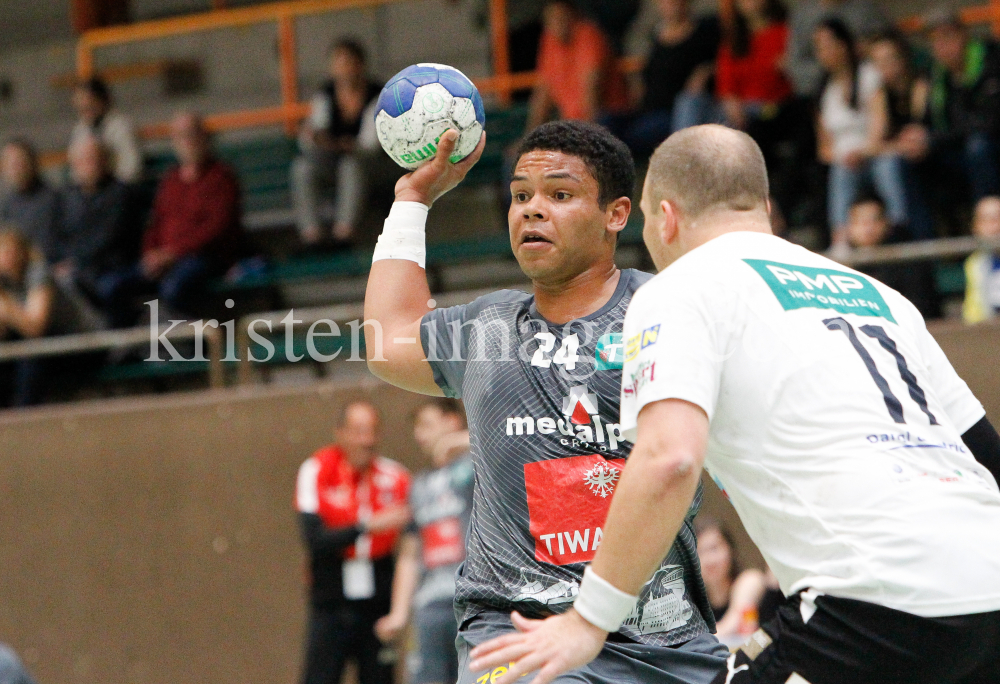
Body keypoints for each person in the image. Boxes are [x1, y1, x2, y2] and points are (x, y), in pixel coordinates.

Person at [469, 124, 1000, 684]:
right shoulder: (879, 295)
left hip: (876, 597)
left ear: (665, 216)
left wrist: (587, 622)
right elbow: (984, 451)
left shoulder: (679, 290)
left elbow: (669, 459)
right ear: (763, 207)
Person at [364, 121, 728, 684]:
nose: (532, 210)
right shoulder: (486, 328)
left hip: (663, 640)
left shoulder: (664, 310)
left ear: (616, 213)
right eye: (520, 196)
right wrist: (412, 199)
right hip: (516, 633)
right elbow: (388, 339)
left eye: (560, 195)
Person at [294, 400, 412, 684]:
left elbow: (412, 541)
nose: (367, 440)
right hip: (330, 595)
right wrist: (367, 526)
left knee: (380, 676)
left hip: (378, 593)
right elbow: (315, 539)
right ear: (340, 433)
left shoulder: (396, 477)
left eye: (373, 431)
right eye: (358, 431)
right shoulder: (317, 470)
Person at [375, 398, 474, 684]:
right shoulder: (418, 484)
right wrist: (398, 613)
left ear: (453, 421)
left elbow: (508, 440)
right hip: (430, 605)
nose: (420, 435)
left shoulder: (477, 466)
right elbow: (409, 554)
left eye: (427, 425)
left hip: (472, 602)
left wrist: (460, 442)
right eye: (417, 428)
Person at [119, 112, 242, 322]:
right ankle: (128, 348)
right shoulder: (170, 180)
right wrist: (150, 254)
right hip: (164, 259)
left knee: (174, 288)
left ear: (205, 137)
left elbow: (216, 229)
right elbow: (154, 223)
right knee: (114, 287)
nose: (187, 142)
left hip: (204, 257)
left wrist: (172, 254)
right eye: (180, 136)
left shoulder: (222, 177)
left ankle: (192, 348)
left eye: (192, 134)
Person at [814, 20, 911, 248]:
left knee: (888, 165)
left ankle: (898, 230)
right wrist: (843, 156)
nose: (823, 53)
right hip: (844, 161)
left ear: (843, 45)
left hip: (874, 153)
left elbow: (880, 129)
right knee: (840, 171)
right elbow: (824, 147)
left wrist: (862, 152)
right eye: (818, 47)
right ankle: (841, 239)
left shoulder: (868, 76)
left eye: (828, 45)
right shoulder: (822, 89)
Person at [292, 39, 382, 246]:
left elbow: (370, 145)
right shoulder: (325, 95)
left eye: (348, 63)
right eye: (338, 64)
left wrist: (336, 144)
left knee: (351, 166)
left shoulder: (378, 95)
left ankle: (344, 234)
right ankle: (311, 236)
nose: (344, 70)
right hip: (334, 163)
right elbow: (311, 137)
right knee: (303, 168)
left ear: (361, 65)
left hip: (374, 166)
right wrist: (322, 141)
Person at [606, 0, 721, 159]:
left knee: (632, 136)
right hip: (646, 109)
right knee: (605, 122)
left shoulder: (704, 32)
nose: (670, 5)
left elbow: (722, 59)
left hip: (675, 113)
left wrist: (705, 72)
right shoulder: (656, 36)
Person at [53, 135, 140, 326]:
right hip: (78, 268)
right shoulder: (67, 197)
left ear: (106, 160)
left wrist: (75, 261)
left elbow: (110, 237)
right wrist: (64, 261)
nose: (88, 165)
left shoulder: (121, 193)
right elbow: (58, 235)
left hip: (112, 266)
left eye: (93, 159)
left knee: (103, 286)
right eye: (82, 160)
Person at [924, 10, 1000, 206]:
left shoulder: (992, 59)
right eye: (936, 41)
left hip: (990, 143)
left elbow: (989, 121)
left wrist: (936, 138)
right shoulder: (937, 76)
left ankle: (988, 218)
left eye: (947, 36)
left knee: (978, 147)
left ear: (963, 34)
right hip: (956, 146)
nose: (943, 46)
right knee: (913, 159)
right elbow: (933, 122)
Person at [868, 30, 934, 241]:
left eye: (889, 59)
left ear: (903, 57)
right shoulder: (881, 94)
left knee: (891, 165)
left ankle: (903, 227)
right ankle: (898, 224)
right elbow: (875, 143)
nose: (885, 67)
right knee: (888, 164)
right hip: (902, 158)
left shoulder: (922, 83)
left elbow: (921, 128)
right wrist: (899, 146)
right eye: (878, 62)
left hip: (931, 151)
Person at [526, 0, 629, 131]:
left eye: (562, 18)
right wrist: (529, 138)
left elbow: (592, 89)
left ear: (573, 16)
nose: (557, 24)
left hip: (609, 119)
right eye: (551, 20)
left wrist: (584, 136)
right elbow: (543, 93)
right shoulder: (550, 40)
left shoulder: (588, 35)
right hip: (574, 123)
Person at [845, 195, 940, 319]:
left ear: (886, 223)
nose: (867, 228)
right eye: (859, 221)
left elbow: (922, 312)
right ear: (848, 227)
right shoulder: (841, 267)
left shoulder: (909, 263)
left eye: (873, 220)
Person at [785, 0, 889, 98]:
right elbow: (795, 66)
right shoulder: (803, 15)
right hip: (820, 93)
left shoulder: (866, 8)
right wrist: (832, 69)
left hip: (869, 83)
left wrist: (869, 49)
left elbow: (889, 42)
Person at [0, 229, 55, 407]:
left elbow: (35, 328)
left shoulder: (38, 273)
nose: (5, 257)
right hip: (30, 343)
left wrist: (4, 302)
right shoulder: (4, 281)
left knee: (30, 354)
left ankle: (24, 417)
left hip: (73, 343)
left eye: (9, 251)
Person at [693, 517, 765, 644]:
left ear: (730, 549)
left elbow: (734, 623)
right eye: (700, 552)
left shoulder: (749, 580)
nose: (709, 560)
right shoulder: (690, 601)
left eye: (714, 548)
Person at [69, 77, 142, 184]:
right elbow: (75, 172)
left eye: (89, 103)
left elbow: (131, 169)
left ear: (102, 100)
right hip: (89, 191)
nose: (84, 106)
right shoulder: (80, 129)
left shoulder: (121, 126)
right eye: (81, 106)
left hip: (118, 189)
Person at [0, 139, 59, 261]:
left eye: (19, 163)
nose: (15, 169)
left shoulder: (52, 200)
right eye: (10, 164)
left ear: (32, 163)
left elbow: (47, 249)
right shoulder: (7, 203)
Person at [962, 196, 1000, 323]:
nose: (994, 226)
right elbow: (972, 315)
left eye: (997, 218)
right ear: (975, 227)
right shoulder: (974, 264)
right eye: (985, 219)